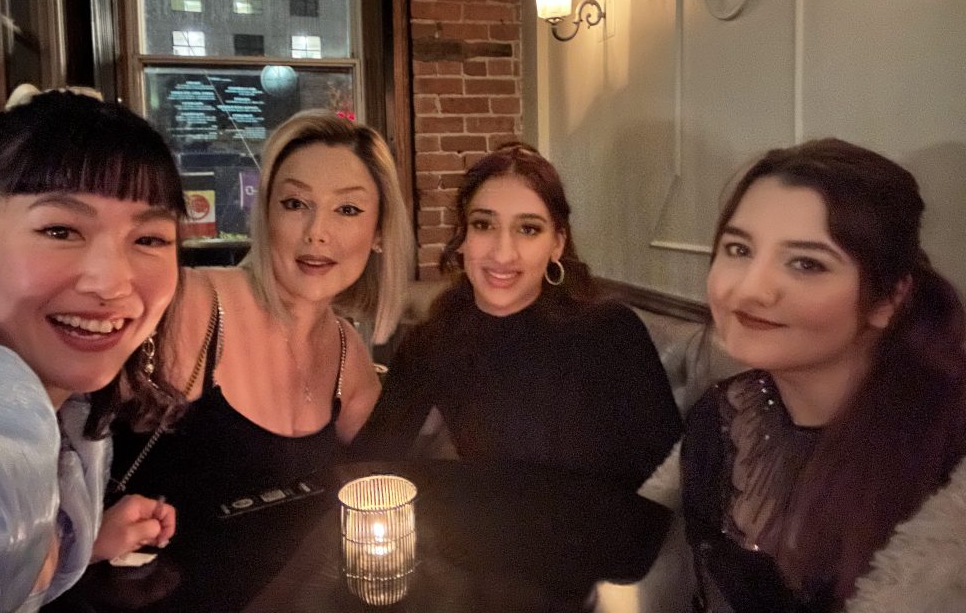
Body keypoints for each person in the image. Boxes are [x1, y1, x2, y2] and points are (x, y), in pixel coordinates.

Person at [681, 138, 966, 613]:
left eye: (806, 263)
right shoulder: (720, 421)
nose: (750, 289)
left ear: (888, 299)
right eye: (738, 248)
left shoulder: (948, 455)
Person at [0, 87, 184, 612]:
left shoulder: (72, 421)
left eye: (149, 239)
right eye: (60, 229)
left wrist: (82, 543)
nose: (111, 283)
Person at [110, 110, 414, 524]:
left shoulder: (348, 355)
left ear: (379, 232)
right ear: (267, 214)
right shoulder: (189, 303)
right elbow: (60, 420)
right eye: (295, 204)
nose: (316, 232)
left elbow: (390, 476)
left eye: (347, 209)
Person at [356, 143, 682, 490]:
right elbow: (368, 465)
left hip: (611, 523)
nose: (502, 253)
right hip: (493, 524)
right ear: (462, 237)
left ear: (557, 244)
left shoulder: (611, 331)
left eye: (528, 229)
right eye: (483, 224)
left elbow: (671, 478)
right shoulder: (434, 341)